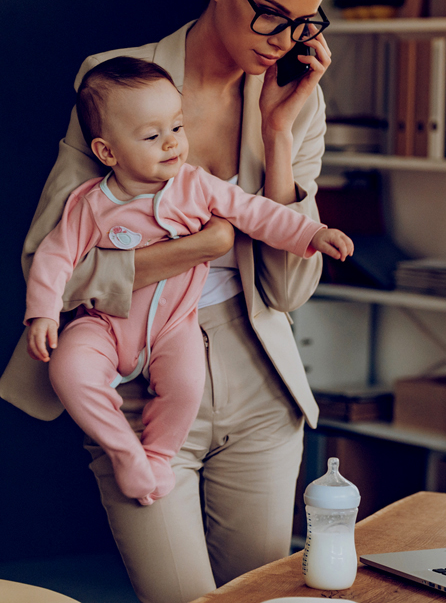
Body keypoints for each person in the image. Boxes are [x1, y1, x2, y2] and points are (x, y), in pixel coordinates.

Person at [0, 0, 337, 602]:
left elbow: (286, 291)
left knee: (259, 598)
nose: (284, 40)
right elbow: (51, 265)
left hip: (257, 385)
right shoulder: (117, 83)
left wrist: (279, 135)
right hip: (134, 378)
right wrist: (203, 246)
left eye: (305, 22)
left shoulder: (297, 101)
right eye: (271, 14)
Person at [25, 56, 353, 508]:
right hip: (103, 324)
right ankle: (125, 450)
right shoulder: (91, 203)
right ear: (107, 152)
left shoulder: (197, 185)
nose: (172, 144)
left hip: (174, 327)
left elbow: (255, 213)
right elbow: (54, 256)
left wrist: (312, 233)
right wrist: (42, 314)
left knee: (186, 381)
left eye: (177, 128)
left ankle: (157, 454)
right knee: (68, 368)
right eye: (152, 136)